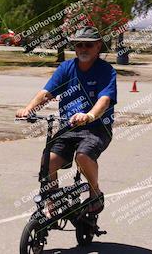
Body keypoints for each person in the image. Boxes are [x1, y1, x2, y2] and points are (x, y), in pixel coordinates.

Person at [16, 26, 117, 214]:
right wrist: (29, 109)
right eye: (79, 45)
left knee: (83, 155)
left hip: (96, 128)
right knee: (49, 161)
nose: (83, 49)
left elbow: (104, 100)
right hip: (68, 127)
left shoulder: (106, 71)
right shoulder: (66, 68)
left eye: (88, 45)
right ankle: (53, 200)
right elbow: (47, 93)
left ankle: (95, 193)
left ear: (98, 47)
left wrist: (89, 115)